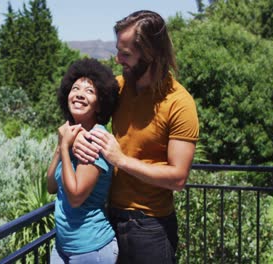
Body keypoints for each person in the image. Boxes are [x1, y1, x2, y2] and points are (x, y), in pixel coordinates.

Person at [73, 10, 199, 263]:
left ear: (151, 53)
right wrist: (74, 136)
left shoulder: (179, 103)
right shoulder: (118, 88)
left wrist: (120, 160)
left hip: (151, 228)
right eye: (118, 50)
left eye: (126, 53)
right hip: (108, 222)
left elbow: (178, 178)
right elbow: (84, 115)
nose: (118, 59)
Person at [46, 58, 119, 264]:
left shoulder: (95, 139)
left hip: (91, 249)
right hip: (62, 247)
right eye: (75, 88)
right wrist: (63, 146)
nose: (79, 94)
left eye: (89, 91)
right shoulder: (70, 135)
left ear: (100, 104)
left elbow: (76, 197)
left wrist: (64, 145)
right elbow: (51, 186)